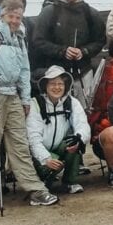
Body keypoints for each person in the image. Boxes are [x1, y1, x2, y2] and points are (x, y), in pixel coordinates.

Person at [0, 0, 55, 211]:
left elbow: (24, 71)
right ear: (2, 15)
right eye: (11, 16)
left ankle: (35, 189)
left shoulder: (20, 38)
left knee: (20, 145)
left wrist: (25, 98)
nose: (15, 21)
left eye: (18, 17)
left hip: (13, 95)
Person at [31, 0, 106, 105]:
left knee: (85, 111)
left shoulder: (91, 13)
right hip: (55, 74)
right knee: (57, 110)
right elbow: (38, 40)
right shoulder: (49, 12)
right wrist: (62, 51)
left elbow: (100, 41)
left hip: (84, 73)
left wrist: (84, 51)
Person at [28, 66, 94, 194]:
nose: (57, 87)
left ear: (66, 86)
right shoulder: (35, 104)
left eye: (60, 84)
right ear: (45, 85)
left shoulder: (72, 102)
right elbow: (33, 137)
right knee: (48, 168)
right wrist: (46, 159)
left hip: (59, 147)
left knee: (74, 142)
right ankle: (43, 181)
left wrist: (79, 139)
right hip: (40, 153)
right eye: (52, 84)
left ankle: (69, 183)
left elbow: (82, 125)